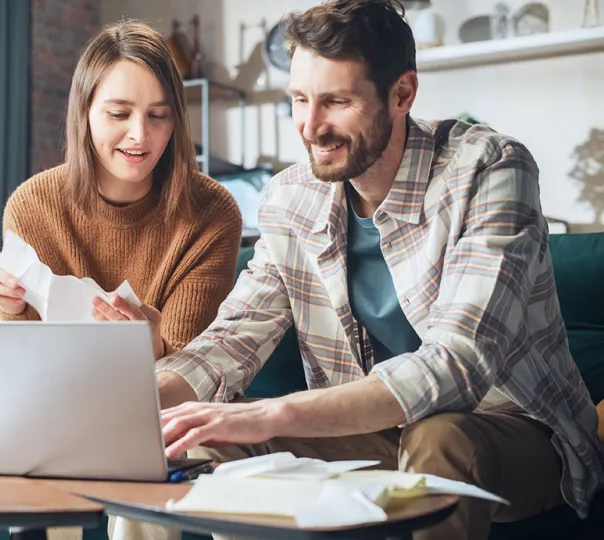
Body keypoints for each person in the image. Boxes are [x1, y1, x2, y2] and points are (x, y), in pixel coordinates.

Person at [145, 1, 604, 540]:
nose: (311, 127)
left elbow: (457, 365)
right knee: (181, 435)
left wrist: (275, 414)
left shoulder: (488, 167)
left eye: (336, 101)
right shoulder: (291, 198)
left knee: (440, 438)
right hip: (373, 432)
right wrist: (137, 400)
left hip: (511, 429)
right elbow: (233, 340)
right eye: (299, 99)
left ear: (403, 94)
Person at [0, 20, 243, 360]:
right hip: (58, 401)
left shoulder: (212, 212)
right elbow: (27, 360)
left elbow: (193, 372)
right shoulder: (33, 206)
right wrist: (7, 298)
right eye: (118, 113)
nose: (140, 135)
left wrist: (152, 348)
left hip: (170, 406)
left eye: (159, 115)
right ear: (84, 112)